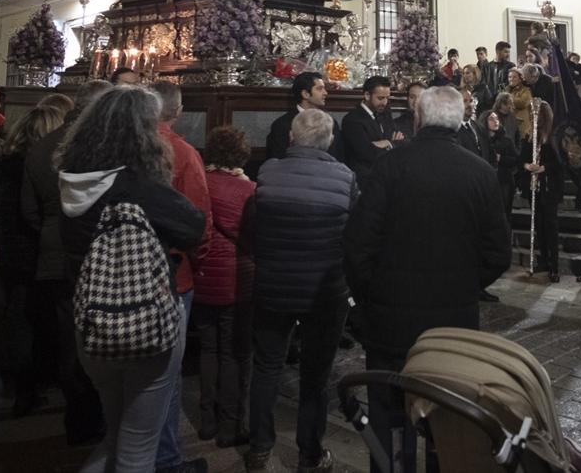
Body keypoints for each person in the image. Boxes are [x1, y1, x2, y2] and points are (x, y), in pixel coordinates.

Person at [344, 87, 510, 473]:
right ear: (458, 121)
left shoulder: (390, 166)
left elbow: (357, 243)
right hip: (452, 326)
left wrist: (372, 292)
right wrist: (465, 285)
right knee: (445, 420)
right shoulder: (481, 173)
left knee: (387, 416)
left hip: (390, 320)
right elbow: (498, 253)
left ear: (418, 119)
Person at [58, 86, 208, 473]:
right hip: (143, 318)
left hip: (90, 319)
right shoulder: (136, 187)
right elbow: (193, 225)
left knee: (116, 434)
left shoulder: (73, 178)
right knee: (138, 448)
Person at [245, 109, 356, 472]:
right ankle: (310, 452)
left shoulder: (267, 173)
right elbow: (354, 237)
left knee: (266, 367)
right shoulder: (344, 178)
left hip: (274, 285)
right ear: (330, 141)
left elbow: (250, 231)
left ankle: (260, 448)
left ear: (292, 138)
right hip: (324, 292)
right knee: (316, 374)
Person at [21, 78, 111, 445]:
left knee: (67, 337)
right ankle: (97, 418)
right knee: (97, 339)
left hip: (53, 251)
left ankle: (77, 419)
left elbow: (28, 209)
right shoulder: (100, 145)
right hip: (93, 251)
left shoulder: (41, 145)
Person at [148, 80, 214, 473]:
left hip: (122, 271)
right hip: (175, 274)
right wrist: (197, 261)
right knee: (166, 374)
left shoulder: (121, 148)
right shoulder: (182, 152)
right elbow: (197, 220)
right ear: (176, 111)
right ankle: (166, 460)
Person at [0, 102, 66, 417]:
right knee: (43, 322)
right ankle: (39, 383)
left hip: (9, 252)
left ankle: (22, 386)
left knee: (18, 318)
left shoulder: (6, 162)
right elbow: (33, 212)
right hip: (36, 252)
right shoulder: (44, 165)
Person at [191, 126, 255, 447]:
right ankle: (230, 425)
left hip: (203, 274)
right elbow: (254, 235)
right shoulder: (248, 190)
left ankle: (206, 420)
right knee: (234, 353)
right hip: (236, 278)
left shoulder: (199, 182)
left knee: (208, 349)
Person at [523, 101, 563, 280]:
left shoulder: (554, 137)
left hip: (549, 186)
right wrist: (527, 165)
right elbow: (521, 157)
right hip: (534, 187)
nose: (534, 118)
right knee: (538, 224)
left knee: (550, 225)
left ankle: (554, 265)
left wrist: (543, 168)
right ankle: (543, 260)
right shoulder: (530, 136)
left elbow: (560, 163)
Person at [340, 75, 400, 188]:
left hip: (387, 176)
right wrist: (392, 143)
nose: (385, 102)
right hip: (365, 180)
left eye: (387, 98)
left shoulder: (385, 113)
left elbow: (401, 140)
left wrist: (388, 143)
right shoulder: (352, 120)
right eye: (381, 98)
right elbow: (367, 153)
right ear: (367, 95)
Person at [266, 72, 340, 160]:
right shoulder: (281, 125)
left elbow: (338, 157)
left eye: (324, 89)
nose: (325, 93)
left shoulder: (331, 123)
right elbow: (277, 159)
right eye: (320, 89)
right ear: (305, 94)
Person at [480, 108, 520, 226]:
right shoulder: (482, 140)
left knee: (504, 214)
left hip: (504, 181)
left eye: (497, 118)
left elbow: (516, 160)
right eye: (491, 119)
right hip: (487, 181)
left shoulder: (506, 140)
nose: (495, 121)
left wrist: (500, 159)